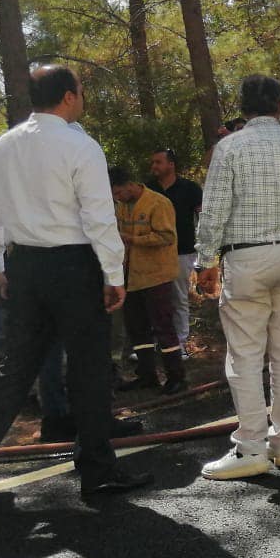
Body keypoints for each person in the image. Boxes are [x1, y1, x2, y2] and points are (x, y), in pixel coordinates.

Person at [0, 66, 150, 504]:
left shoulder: (1, 148)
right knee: (88, 369)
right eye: (81, 92)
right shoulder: (80, 145)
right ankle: (97, 472)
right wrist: (113, 273)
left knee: (17, 371)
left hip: (25, 267)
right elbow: (98, 216)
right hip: (74, 265)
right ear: (69, 96)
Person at [193, 75, 280, 480]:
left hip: (248, 256)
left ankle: (250, 446)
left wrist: (204, 260)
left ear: (243, 107)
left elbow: (214, 207)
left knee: (246, 354)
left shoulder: (230, 147)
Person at [109, 167, 187, 394]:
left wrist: (132, 239)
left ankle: (176, 376)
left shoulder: (158, 203)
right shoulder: (122, 206)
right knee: (137, 327)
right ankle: (147, 374)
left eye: (119, 192)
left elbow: (167, 236)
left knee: (163, 326)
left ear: (130, 184)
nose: (117, 198)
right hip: (131, 275)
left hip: (156, 275)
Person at [148, 147, 201, 354]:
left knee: (178, 297)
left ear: (171, 164)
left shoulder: (190, 188)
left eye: (158, 162)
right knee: (154, 298)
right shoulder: (148, 189)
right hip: (153, 252)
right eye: (152, 163)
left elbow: (202, 217)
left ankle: (179, 342)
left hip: (183, 251)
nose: (154, 166)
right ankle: (154, 340)